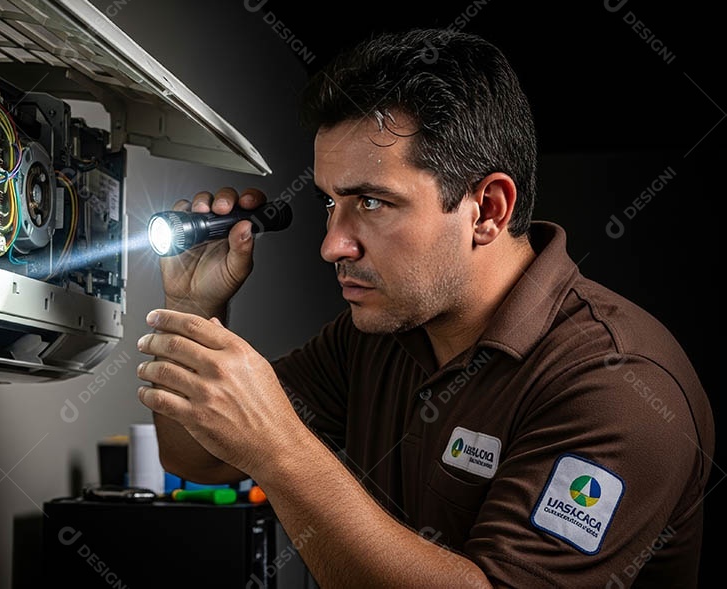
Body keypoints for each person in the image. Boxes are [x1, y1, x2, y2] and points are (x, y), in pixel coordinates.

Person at [134, 28, 714, 588]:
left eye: (372, 202)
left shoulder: (619, 386)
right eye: (330, 204)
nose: (333, 244)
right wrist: (193, 306)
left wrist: (282, 448)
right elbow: (200, 460)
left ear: (487, 209)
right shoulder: (375, 336)